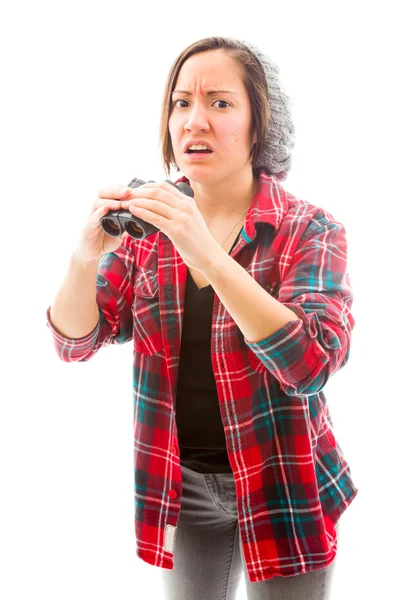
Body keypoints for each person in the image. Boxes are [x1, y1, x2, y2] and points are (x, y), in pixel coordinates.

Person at [46, 36, 358, 599]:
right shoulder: (149, 227)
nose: (195, 121)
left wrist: (207, 251)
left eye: (219, 102)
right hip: (180, 485)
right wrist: (84, 255)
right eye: (181, 103)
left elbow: (310, 364)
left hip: (284, 479)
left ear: (259, 125)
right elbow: (76, 342)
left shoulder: (311, 229)